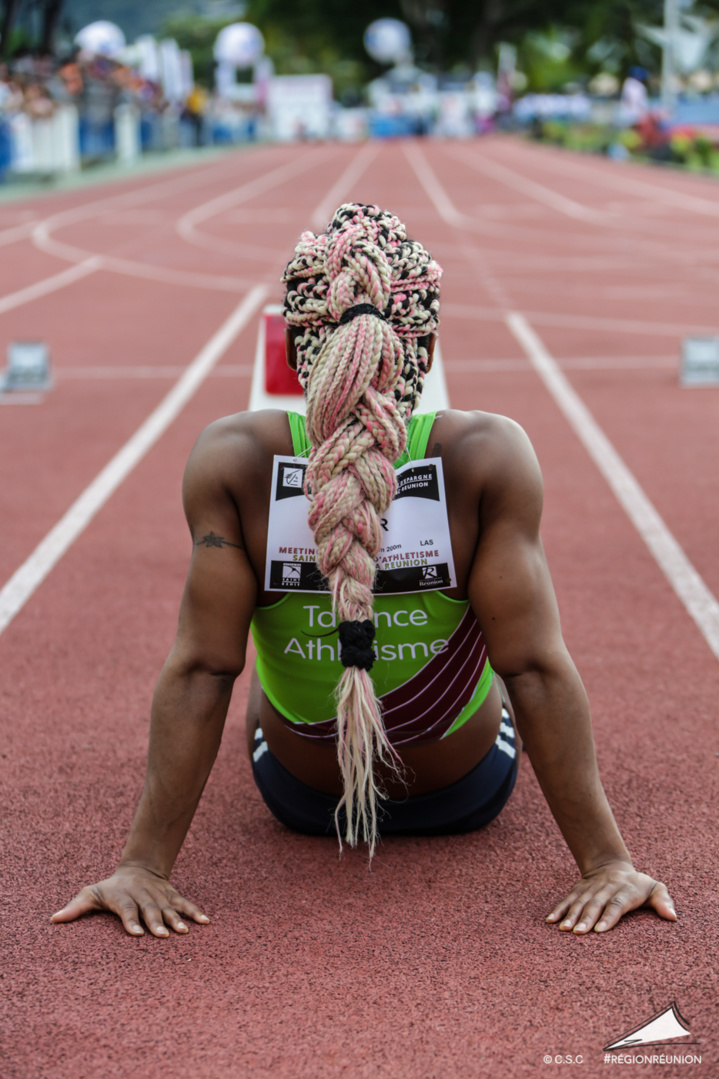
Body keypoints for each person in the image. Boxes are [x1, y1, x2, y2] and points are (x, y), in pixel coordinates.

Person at [51, 204, 675, 938]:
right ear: (427, 346)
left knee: (244, 663)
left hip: (302, 802)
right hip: (463, 794)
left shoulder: (232, 458)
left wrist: (143, 867)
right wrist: (606, 863)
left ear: (293, 343)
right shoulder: (487, 453)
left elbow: (201, 670)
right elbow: (537, 666)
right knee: (511, 649)